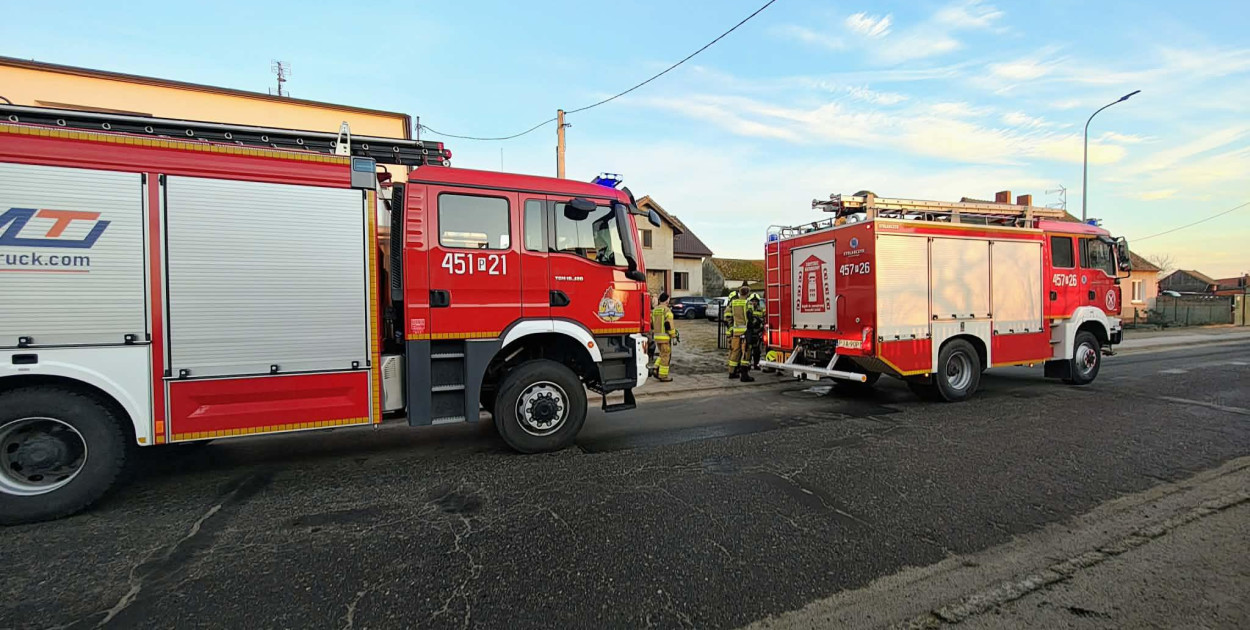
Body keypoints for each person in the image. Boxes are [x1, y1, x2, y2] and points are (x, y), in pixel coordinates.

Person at [724, 285, 755, 382]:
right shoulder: (748, 303)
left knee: (735, 352)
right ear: (747, 293)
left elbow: (727, 316)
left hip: (735, 332)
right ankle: (744, 375)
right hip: (746, 332)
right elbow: (751, 317)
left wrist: (731, 326)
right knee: (746, 352)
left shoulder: (733, 303)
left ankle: (732, 372)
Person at [650, 292, 678, 382]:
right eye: (668, 300)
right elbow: (669, 324)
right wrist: (673, 335)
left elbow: (651, 324)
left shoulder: (654, 310)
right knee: (666, 356)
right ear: (666, 300)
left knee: (662, 354)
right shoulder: (667, 310)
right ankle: (663, 375)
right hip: (665, 337)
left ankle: (655, 368)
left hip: (657, 336)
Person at [747, 293, 765, 370]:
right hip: (750, 331)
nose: (754, 302)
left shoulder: (761, 309)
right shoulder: (748, 310)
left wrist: (760, 322)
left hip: (758, 332)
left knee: (757, 350)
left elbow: (764, 319)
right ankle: (747, 364)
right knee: (748, 349)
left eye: (755, 301)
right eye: (752, 301)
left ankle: (756, 364)